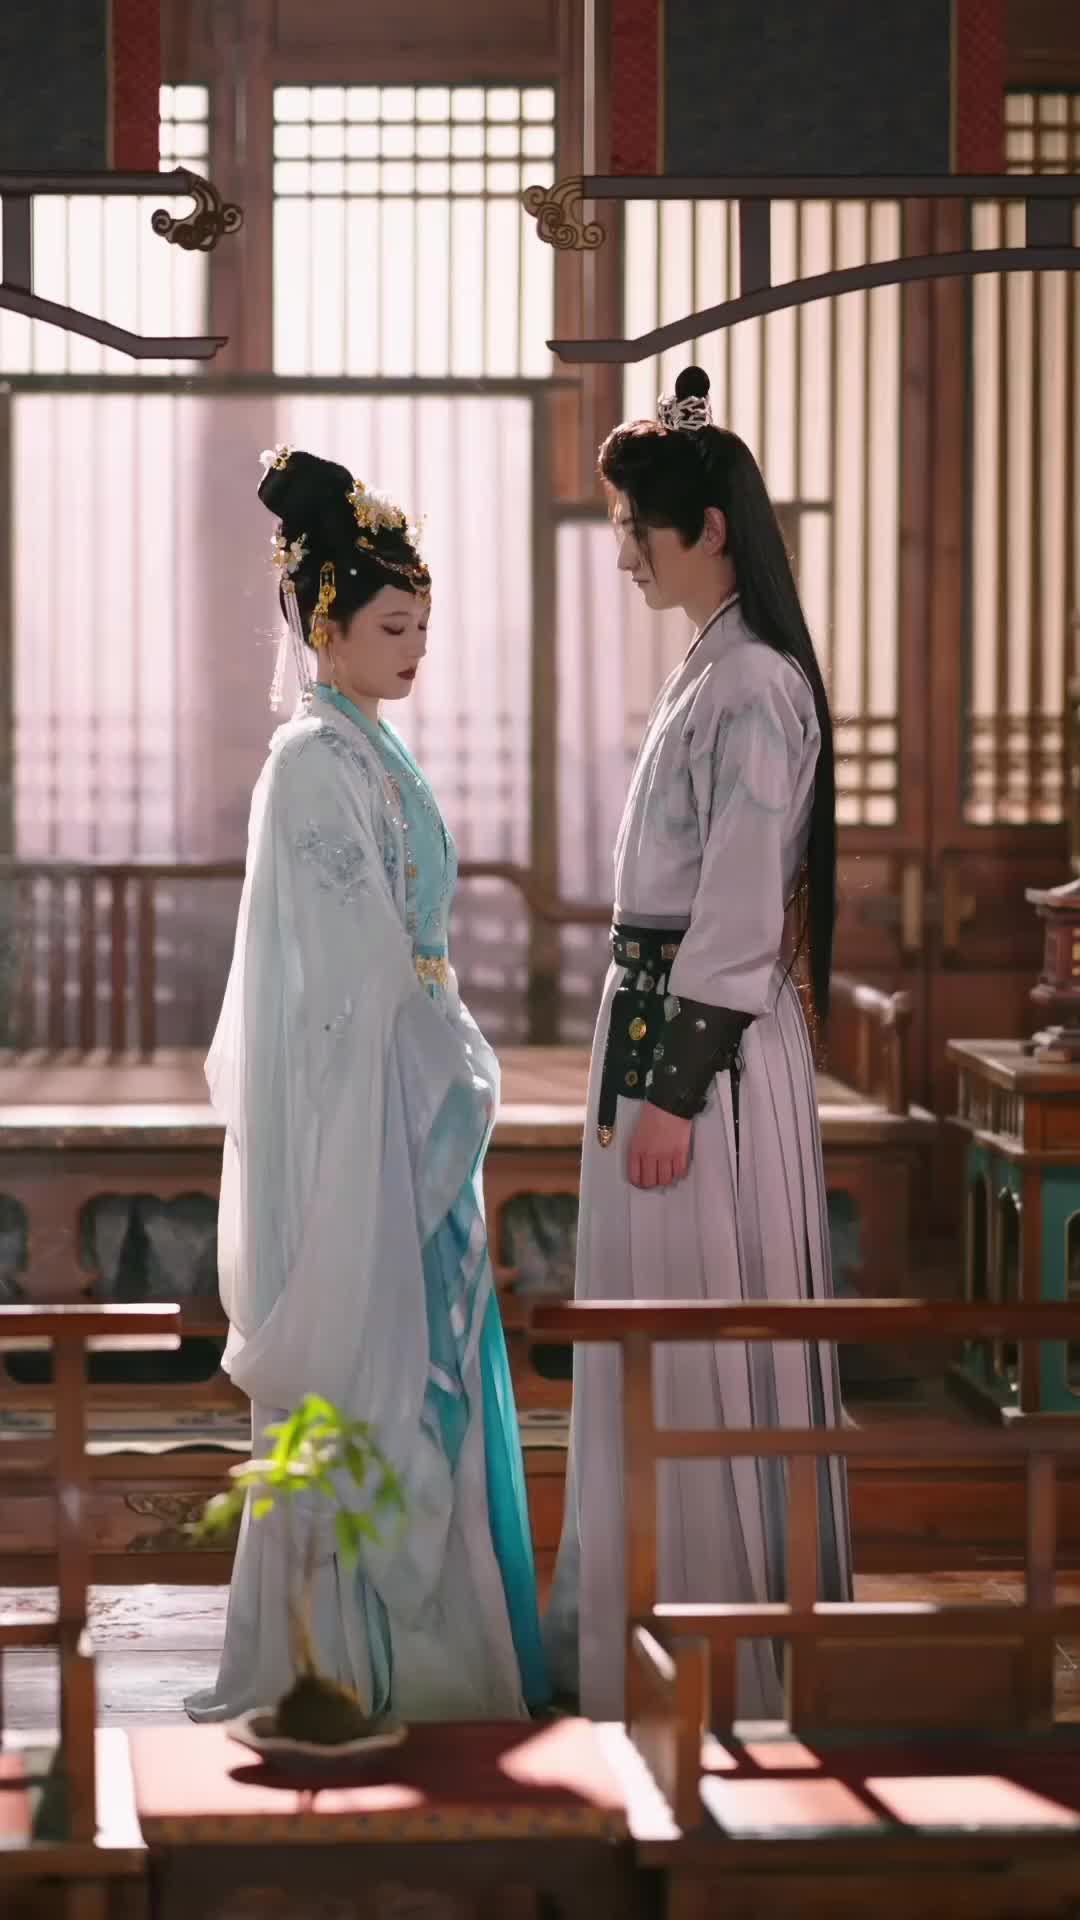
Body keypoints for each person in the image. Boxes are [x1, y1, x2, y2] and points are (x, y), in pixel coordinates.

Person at [186, 447, 548, 1723]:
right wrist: (437, 1050)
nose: (415, 651)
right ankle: (340, 1663)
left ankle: (442, 1663)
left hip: (411, 1094)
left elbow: (404, 954)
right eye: (394, 628)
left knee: (431, 1357)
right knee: (376, 1361)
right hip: (366, 1112)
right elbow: (342, 973)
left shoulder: (372, 752)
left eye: (425, 629)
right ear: (325, 625)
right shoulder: (310, 764)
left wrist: (439, 1049)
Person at [543, 367, 852, 1720]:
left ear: (708, 530)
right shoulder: (715, 669)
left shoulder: (755, 684)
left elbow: (735, 907)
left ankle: (713, 1661)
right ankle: (634, 1639)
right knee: (644, 1327)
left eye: (637, 530)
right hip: (662, 1018)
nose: (626, 556)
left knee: (694, 1329)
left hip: (703, 1052)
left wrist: (673, 1088)